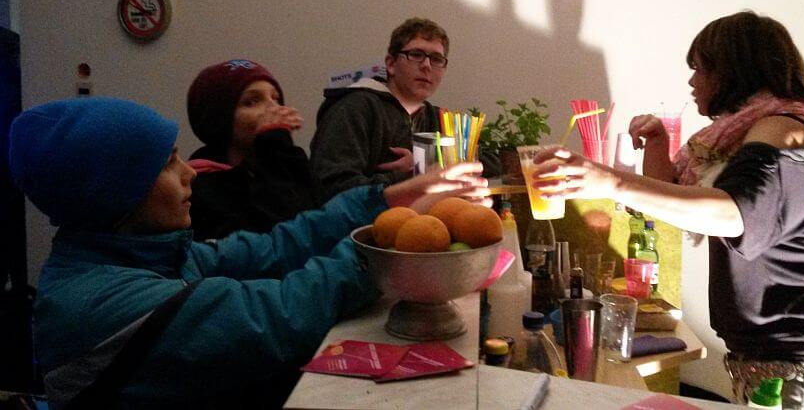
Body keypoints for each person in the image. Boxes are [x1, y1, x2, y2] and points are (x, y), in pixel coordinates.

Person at [9, 97, 488, 408]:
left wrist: (387, 199)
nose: (190, 172)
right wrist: (384, 240)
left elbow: (276, 247)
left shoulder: (151, 254)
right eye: (168, 163)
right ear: (116, 192)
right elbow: (281, 315)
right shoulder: (100, 304)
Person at [531, 11, 804, 409]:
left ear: (733, 70)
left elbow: (733, 213)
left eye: (699, 67)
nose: (692, 81)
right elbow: (676, 204)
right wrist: (657, 145)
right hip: (774, 367)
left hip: (802, 370)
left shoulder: (784, 129)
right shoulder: (743, 137)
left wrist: (610, 181)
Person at [310, 17, 498, 203]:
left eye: (436, 59)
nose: (426, 66)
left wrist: (425, 164)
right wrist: (413, 178)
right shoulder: (354, 109)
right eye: (416, 55)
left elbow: (492, 163)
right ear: (391, 64)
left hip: (429, 219)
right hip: (367, 222)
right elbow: (334, 189)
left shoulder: (438, 117)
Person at [185, 59, 316, 241]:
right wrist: (274, 145)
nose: (274, 108)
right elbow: (282, 239)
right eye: (252, 102)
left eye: (276, 98)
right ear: (220, 118)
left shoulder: (288, 160)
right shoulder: (199, 188)